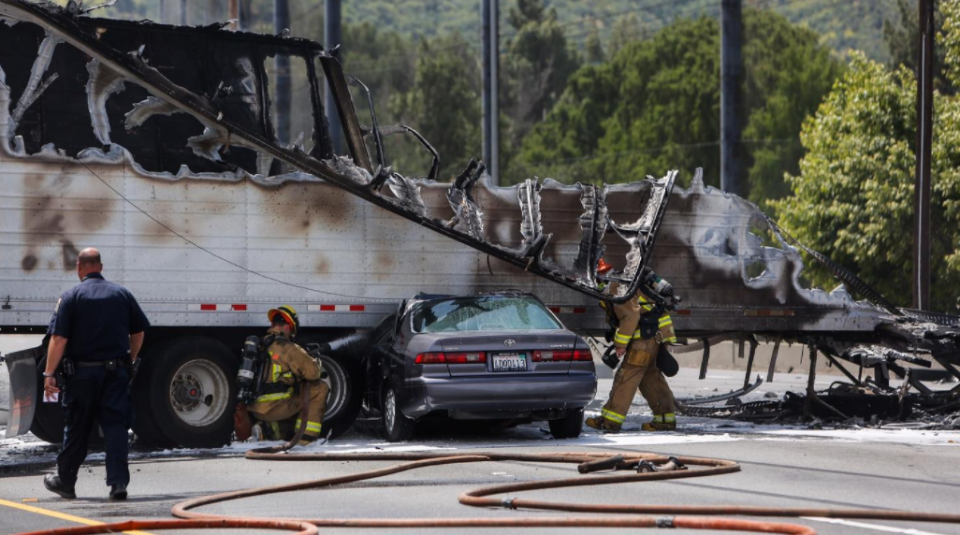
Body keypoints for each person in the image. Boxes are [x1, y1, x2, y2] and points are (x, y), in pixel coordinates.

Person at [42, 248, 149, 500]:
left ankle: (66, 482)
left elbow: (58, 339)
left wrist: (49, 373)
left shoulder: (71, 297)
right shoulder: (122, 294)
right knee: (115, 427)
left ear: (79, 267)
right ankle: (118, 484)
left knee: (77, 427)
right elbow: (138, 333)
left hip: (81, 376)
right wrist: (130, 360)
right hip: (115, 374)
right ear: (99, 267)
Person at [586, 258, 678, 433]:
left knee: (625, 377)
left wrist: (620, 344)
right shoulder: (623, 282)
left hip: (645, 339)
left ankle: (610, 421)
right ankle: (665, 420)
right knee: (650, 378)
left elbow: (630, 317)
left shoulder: (616, 288)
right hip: (655, 336)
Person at [245, 305, 329, 446]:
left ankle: (266, 431)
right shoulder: (288, 348)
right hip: (274, 407)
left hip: (254, 408)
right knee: (320, 388)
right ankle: (305, 439)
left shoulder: (261, 344)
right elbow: (313, 373)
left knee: (292, 391)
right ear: (290, 326)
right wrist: (315, 362)